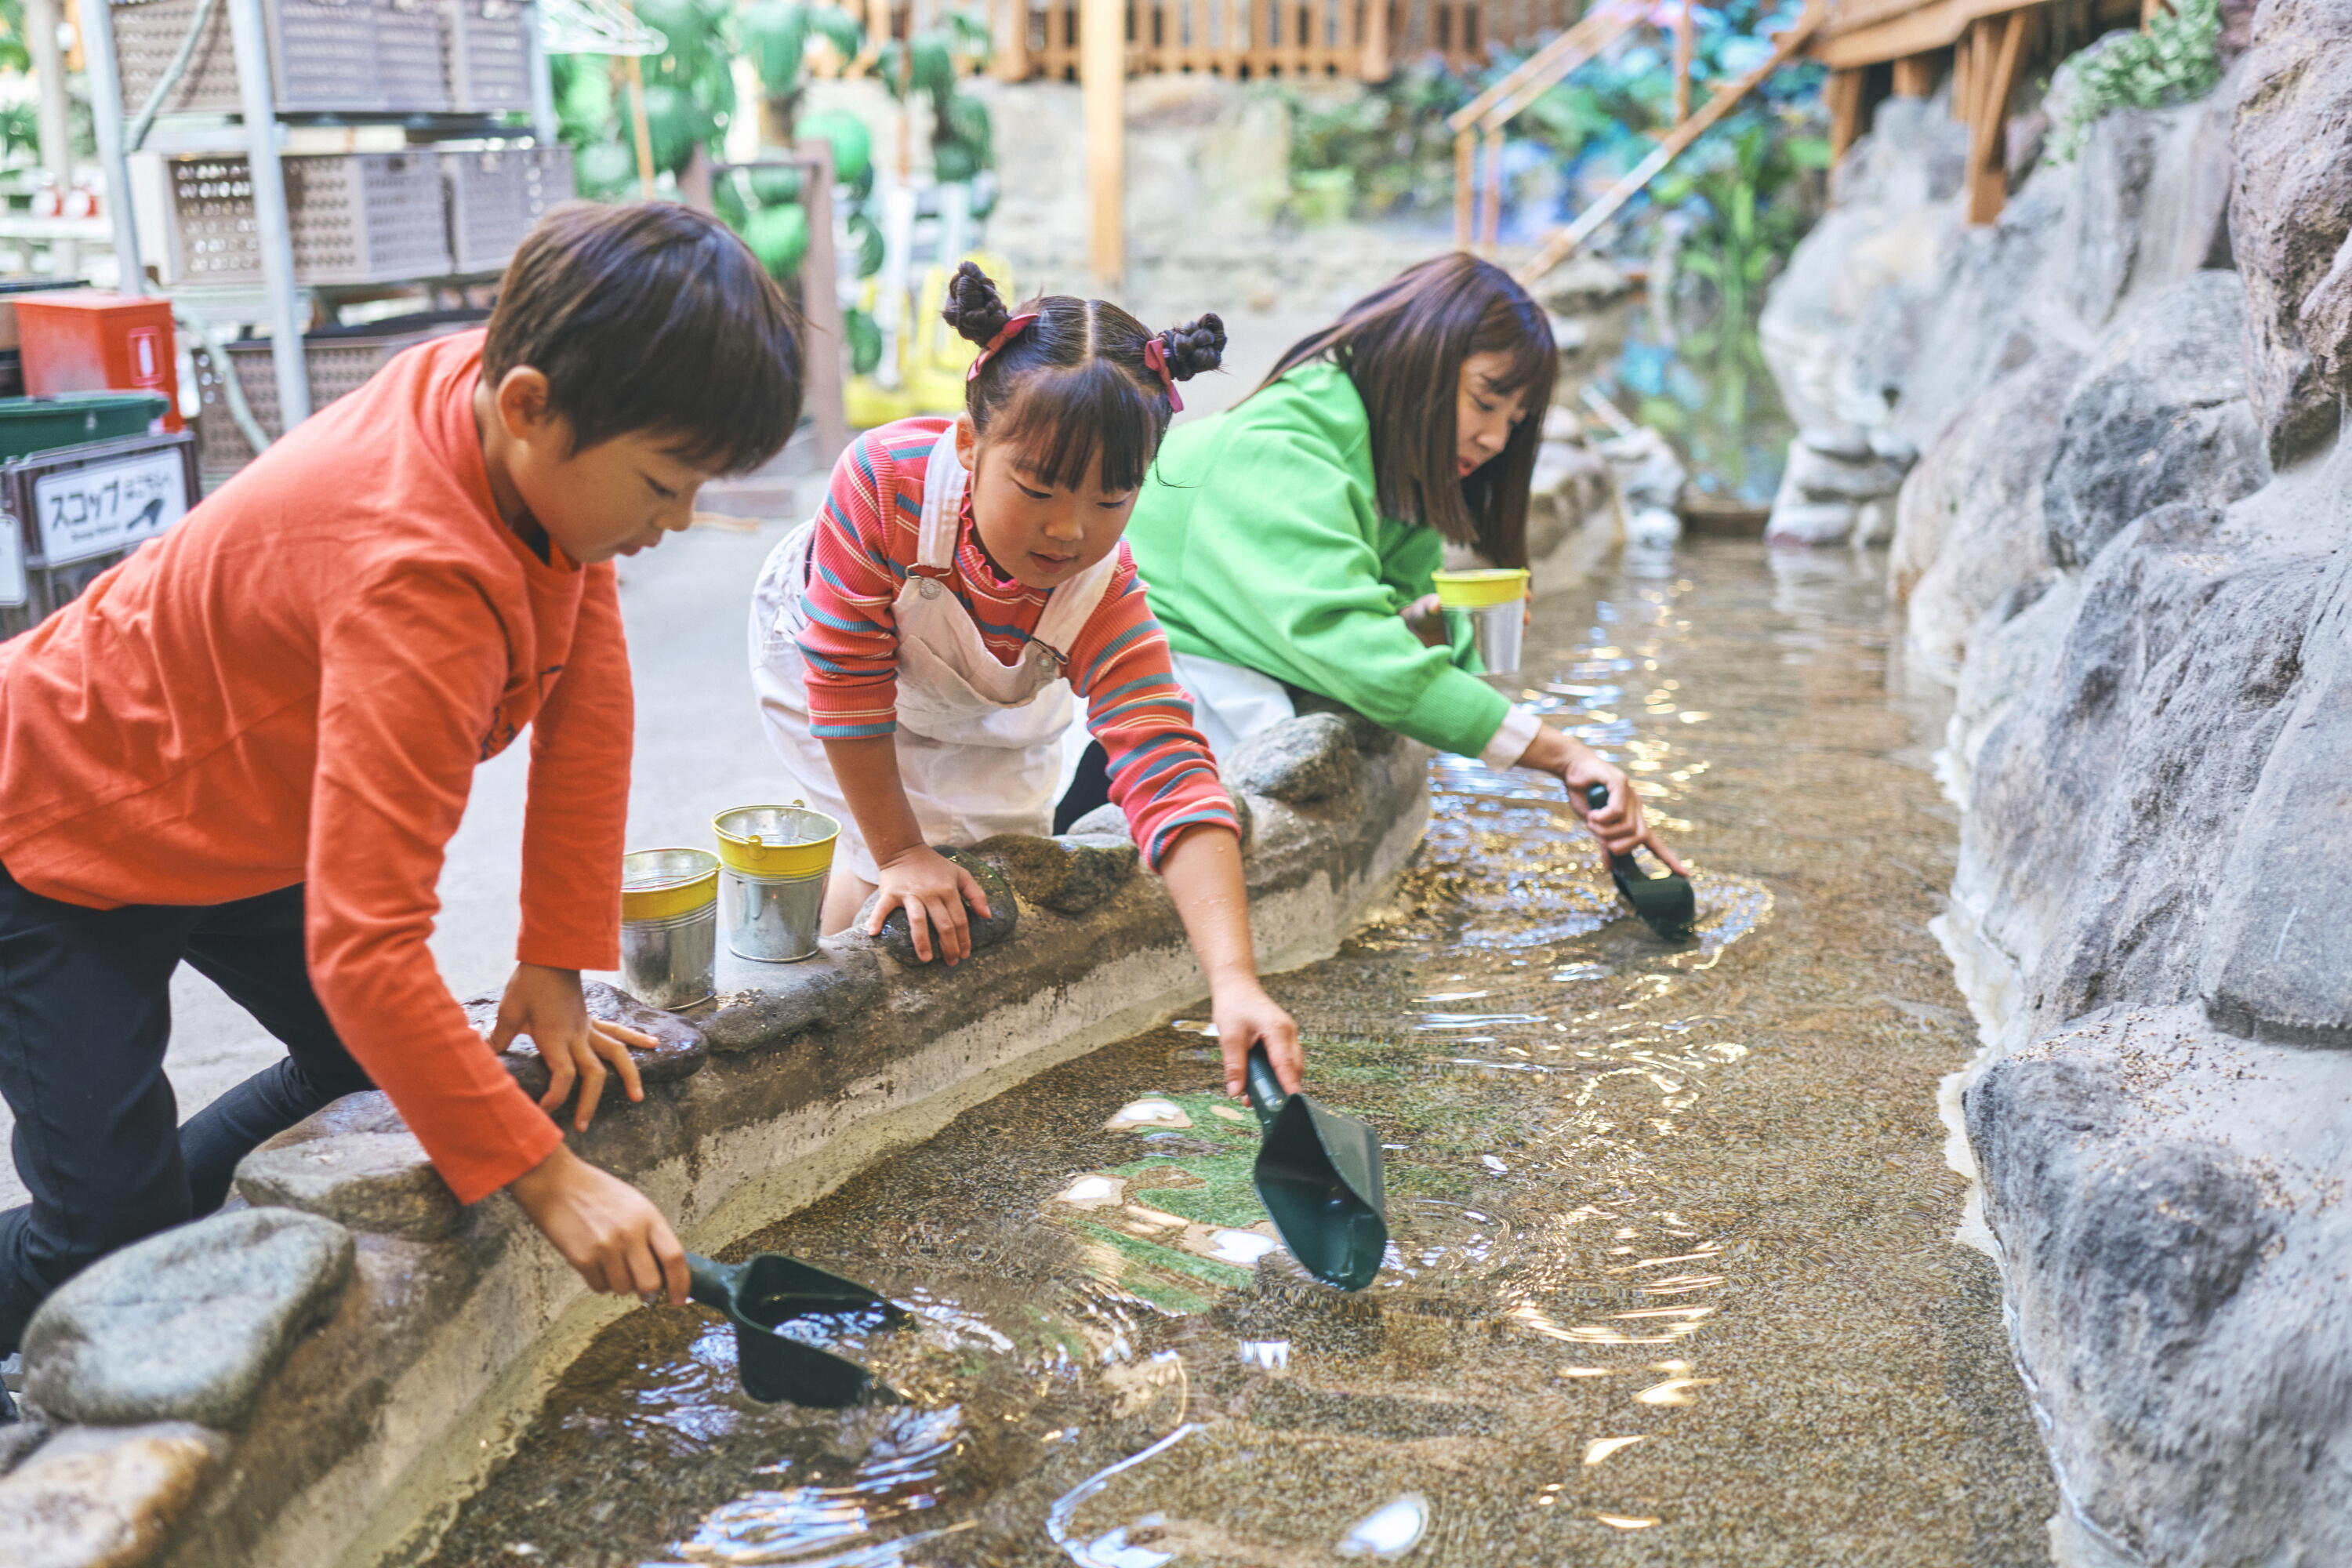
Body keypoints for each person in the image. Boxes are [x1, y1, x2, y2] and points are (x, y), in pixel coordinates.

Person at [0, 202, 801, 1370]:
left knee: (373, 1073)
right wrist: (552, 1182)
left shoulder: (498, 419)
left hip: (238, 814)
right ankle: (119, 1262)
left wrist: (552, 958)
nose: (677, 523)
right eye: (664, 484)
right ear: (530, 404)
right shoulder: (415, 586)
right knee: (100, 1231)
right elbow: (367, 946)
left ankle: (173, 1244)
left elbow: (591, 697)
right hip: (61, 822)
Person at [750, 262, 1302, 1098]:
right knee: (882, 864)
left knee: (975, 875)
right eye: (1038, 487)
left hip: (985, 689)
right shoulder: (884, 482)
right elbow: (849, 684)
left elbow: (1171, 770)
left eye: (1110, 499)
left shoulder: (1102, 592)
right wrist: (899, 849)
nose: (1068, 529)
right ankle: (784, 1029)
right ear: (971, 445)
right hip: (825, 657)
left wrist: (1234, 980)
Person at [1089, 252, 1685, 873]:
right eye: (1485, 402)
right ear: (1419, 357)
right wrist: (1565, 755)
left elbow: (1373, 626)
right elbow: (1360, 655)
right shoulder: (1284, 450)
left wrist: (1427, 623)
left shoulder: (1392, 469)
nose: (1495, 440)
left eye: (1514, 422)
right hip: (1137, 713)